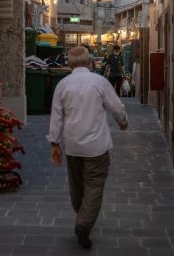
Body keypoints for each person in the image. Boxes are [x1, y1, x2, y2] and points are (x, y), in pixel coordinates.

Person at [48, 46, 129, 249]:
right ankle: (84, 223)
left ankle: (82, 215)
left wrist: (54, 143)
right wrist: (122, 121)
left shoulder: (63, 85)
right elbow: (117, 107)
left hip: (72, 145)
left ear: (69, 64)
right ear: (90, 62)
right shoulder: (99, 82)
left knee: (76, 185)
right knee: (94, 185)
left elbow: (56, 117)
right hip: (97, 146)